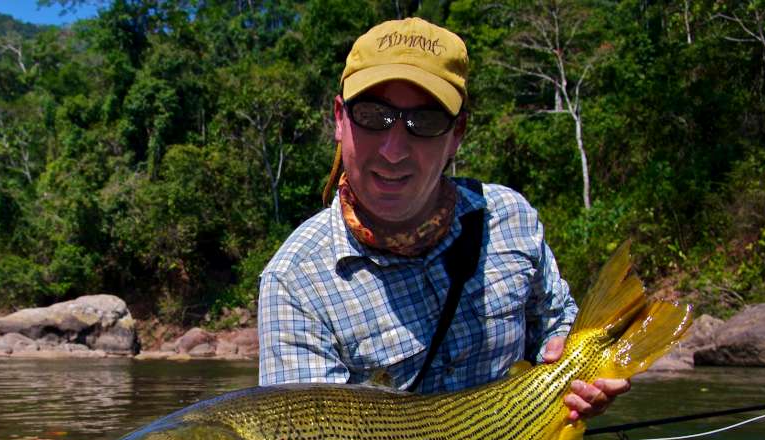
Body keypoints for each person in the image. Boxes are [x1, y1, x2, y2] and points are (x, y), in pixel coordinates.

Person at [258, 16, 628, 419]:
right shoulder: (294, 285)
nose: (393, 150)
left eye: (426, 121)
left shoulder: (510, 218)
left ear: (457, 133)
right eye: (372, 115)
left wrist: (586, 370)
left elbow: (558, 325)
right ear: (340, 118)